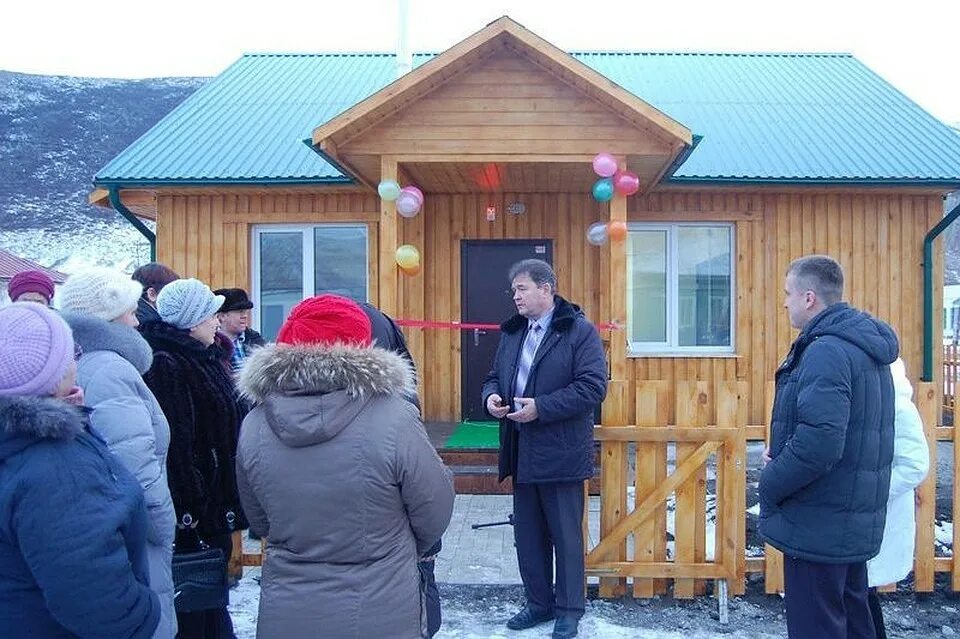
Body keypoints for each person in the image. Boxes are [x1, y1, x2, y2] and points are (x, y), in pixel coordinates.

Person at [235, 294, 455, 639]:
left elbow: (259, 517)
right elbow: (434, 509)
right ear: (362, 347)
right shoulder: (395, 417)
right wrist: (399, 544)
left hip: (290, 609)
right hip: (380, 604)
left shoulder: (255, 422)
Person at [0, 302, 160, 638]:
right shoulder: (56, 468)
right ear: (54, 375)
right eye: (71, 351)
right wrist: (146, 611)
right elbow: (102, 608)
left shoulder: (22, 441)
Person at [759, 255, 898, 638]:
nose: (783, 302)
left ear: (809, 298)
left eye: (787, 294)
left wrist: (771, 480)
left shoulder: (826, 351)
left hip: (818, 523)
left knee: (818, 628)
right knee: (854, 623)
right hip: (846, 520)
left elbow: (820, 441)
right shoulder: (863, 348)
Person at [481, 259, 607, 639]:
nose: (515, 296)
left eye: (522, 288)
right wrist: (491, 398)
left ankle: (569, 609)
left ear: (546, 288)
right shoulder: (513, 334)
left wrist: (542, 408)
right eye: (514, 290)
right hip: (521, 450)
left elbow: (592, 388)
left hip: (562, 452)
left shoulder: (579, 332)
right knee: (529, 535)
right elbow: (492, 377)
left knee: (566, 537)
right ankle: (539, 604)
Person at [60, 267, 178, 638]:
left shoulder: (82, 363)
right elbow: (136, 465)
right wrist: (163, 527)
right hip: (135, 535)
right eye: (130, 310)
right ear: (108, 317)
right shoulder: (110, 370)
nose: (137, 320)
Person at [141, 278, 247, 639]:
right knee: (195, 606)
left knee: (213, 602)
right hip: (195, 512)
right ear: (191, 321)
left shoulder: (206, 356)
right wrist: (187, 516)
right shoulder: (167, 364)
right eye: (210, 315)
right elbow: (178, 446)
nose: (218, 321)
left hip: (213, 503)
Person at [360, 301, 441, 636]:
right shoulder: (398, 412)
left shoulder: (267, 417)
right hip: (389, 568)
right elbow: (431, 498)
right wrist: (428, 547)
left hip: (300, 602)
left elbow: (259, 512)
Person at [866, 358, 930, 638]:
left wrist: (869, 491)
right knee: (858, 598)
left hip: (878, 520)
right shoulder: (865, 392)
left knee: (862, 600)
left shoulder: (895, 398)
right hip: (857, 523)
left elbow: (915, 463)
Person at [213, 288, 266, 373]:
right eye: (239, 311)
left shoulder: (255, 340)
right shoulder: (210, 345)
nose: (244, 316)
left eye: (245, 312)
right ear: (221, 316)